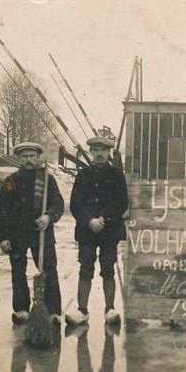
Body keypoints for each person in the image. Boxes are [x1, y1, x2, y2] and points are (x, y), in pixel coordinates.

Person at [0, 142, 64, 325]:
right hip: (17, 233)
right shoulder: (11, 181)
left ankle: (53, 311)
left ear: (38, 157)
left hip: (41, 232)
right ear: (18, 158)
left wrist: (49, 217)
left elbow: (58, 204)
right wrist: (2, 237)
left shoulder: (48, 180)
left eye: (32, 156)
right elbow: (2, 209)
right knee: (18, 272)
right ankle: (21, 310)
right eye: (24, 156)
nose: (28, 160)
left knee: (49, 270)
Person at [66, 136, 129, 326]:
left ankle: (110, 309)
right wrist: (89, 220)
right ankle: (82, 311)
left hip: (109, 230)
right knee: (85, 268)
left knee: (107, 268)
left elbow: (121, 202)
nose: (99, 154)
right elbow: (75, 203)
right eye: (95, 150)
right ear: (91, 152)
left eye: (102, 150)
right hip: (87, 231)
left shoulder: (117, 175)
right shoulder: (83, 175)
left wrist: (103, 218)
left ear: (108, 152)